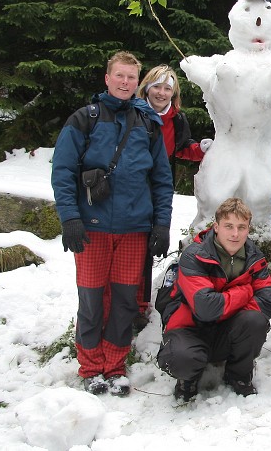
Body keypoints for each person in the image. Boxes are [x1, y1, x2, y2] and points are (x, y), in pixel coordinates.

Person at [51, 51, 173, 396]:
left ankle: (115, 364)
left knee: (123, 301)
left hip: (134, 229)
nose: (124, 83)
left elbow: (162, 180)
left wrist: (161, 225)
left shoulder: (147, 123)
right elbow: (62, 172)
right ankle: (91, 366)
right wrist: (70, 219)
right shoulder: (84, 120)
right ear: (107, 78)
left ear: (138, 83)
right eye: (119, 76)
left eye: (131, 78)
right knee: (92, 299)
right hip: (92, 227)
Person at [157, 198, 271, 401]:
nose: (235, 234)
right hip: (189, 329)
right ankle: (188, 378)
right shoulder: (194, 256)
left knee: (255, 321)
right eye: (228, 226)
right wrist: (245, 292)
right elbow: (206, 308)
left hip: (227, 331)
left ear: (248, 229)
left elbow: (266, 304)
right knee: (182, 359)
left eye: (241, 227)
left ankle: (238, 374)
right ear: (216, 227)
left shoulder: (255, 258)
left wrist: (222, 304)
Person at [132, 65, 213, 332]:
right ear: (146, 87)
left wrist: (202, 150)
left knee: (145, 247)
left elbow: (182, 149)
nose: (162, 93)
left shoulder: (176, 119)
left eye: (168, 88)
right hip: (128, 187)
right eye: (157, 86)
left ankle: (139, 306)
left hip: (156, 191)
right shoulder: (129, 112)